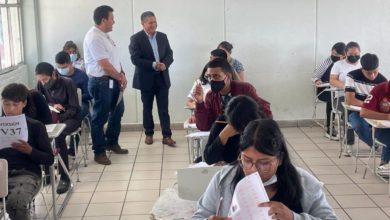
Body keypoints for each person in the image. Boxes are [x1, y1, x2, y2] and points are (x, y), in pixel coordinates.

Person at [192, 119, 337, 220]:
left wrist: (294, 217)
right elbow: (199, 215)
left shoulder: (304, 182)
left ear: (279, 159)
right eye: (247, 160)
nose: (254, 170)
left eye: (265, 162)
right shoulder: (224, 178)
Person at [0, 83, 54, 220]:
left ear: (23, 103)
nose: (10, 109)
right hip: (1, 172)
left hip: (26, 174)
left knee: (16, 203)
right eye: (6, 104)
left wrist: (30, 151)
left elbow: (49, 159)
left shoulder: (36, 126)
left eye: (15, 104)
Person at [84, 5, 129, 165]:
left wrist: (121, 73)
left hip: (112, 80)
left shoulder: (104, 35)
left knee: (118, 111)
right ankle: (99, 151)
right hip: (101, 82)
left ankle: (111, 142)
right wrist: (119, 77)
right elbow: (104, 64)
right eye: (112, 18)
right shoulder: (94, 37)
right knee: (100, 117)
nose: (114, 21)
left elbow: (113, 58)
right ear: (103, 20)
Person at [129, 11, 175, 146]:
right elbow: (135, 59)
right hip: (146, 79)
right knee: (147, 108)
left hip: (162, 78)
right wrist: (154, 65)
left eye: (155, 21)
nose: (154, 24)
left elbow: (169, 54)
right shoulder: (136, 38)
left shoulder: (162, 36)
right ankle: (149, 133)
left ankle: (167, 136)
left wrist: (165, 64)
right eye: (150, 22)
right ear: (143, 23)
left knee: (163, 109)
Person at [35, 62, 80, 194]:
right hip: (52, 117)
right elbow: (39, 102)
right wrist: (53, 105)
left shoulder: (68, 83)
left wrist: (60, 116)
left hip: (71, 118)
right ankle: (48, 174)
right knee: (39, 132)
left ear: (54, 74)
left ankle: (64, 177)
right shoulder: (41, 84)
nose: (43, 83)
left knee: (58, 134)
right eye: (40, 80)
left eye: (45, 80)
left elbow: (74, 108)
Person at [193, 58, 272, 131]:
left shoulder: (244, 89)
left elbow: (264, 113)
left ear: (228, 76)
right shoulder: (210, 96)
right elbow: (204, 126)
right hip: (223, 136)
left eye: (216, 76)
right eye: (209, 76)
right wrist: (199, 102)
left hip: (244, 133)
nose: (212, 80)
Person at [203, 95, 266, 165]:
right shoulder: (222, 122)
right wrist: (223, 136)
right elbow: (208, 159)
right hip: (228, 168)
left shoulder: (259, 122)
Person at [345, 53, 386, 153]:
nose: (372, 76)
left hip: (373, 113)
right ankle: (375, 144)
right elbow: (350, 100)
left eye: (375, 72)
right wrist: (370, 106)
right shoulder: (352, 76)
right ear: (362, 69)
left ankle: (383, 146)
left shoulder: (383, 81)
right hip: (355, 112)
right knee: (359, 125)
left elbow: (383, 104)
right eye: (368, 73)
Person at [330, 41, 362, 155]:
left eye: (356, 54)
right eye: (351, 54)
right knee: (349, 112)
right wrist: (347, 87)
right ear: (346, 53)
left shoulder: (362, 65)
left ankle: (377, 141)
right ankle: (349, 143)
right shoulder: (338, 64)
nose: (354, 56)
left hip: (360, 97)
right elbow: (332, 80)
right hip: (341, 97)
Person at [311, 42, 346, 139]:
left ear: (344, 55)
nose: (333, 55)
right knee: (333, 98)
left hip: (343, 90)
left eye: (336, 54)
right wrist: (317, 80)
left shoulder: (347, 64)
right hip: (326, 90)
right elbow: (315, 76)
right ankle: (330, 126)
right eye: (332, 53)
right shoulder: (328, 61)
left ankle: (348, 124)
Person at [186, 49, 228, 124]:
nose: (211, 61)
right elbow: (189, 102)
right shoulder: (200, 83)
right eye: (209, 76)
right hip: (204, 117)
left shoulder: (230, 87)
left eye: (216, 76)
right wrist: (199, 104)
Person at [360, 81, 390, 171]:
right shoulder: (379, 89)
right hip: (382, 129)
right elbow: (364, 112)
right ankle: (385, 164)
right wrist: (387, 116)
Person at [55, 51, 92, 121]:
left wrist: (75, 98)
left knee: (78, 113)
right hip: (60, 103)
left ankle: (75, 127)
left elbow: (89, 94)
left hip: (79, 103)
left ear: (71, 63)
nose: (60, 70)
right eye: (58, 67)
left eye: (64, 67)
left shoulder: (81, 76)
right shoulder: (55, 74)